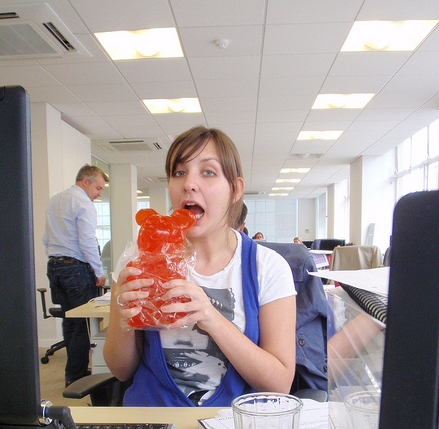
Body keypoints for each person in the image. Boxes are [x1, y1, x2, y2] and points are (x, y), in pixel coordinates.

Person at [104, 126, 297, 407]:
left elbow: (279, 384)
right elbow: (121, 371)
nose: (189, 184)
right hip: (154, 424)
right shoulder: (139, 259)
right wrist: (124, 315)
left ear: (235, 190)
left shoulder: (267, 267)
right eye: (179, 172)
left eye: (208, 172)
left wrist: (212, 318)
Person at [43, 164, 109, 386]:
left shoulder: (56, 199)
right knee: (83, 323)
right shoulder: (83, 203)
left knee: (69, 321)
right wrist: (99, 272)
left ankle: (72, 372)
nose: (99, 194)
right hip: (76, 269)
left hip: (54, 267)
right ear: (85, 182)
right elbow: (87, 241)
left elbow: (46, 237)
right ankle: (76, 375)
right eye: (98, 188)